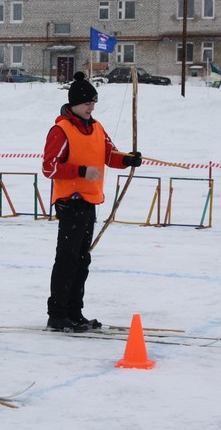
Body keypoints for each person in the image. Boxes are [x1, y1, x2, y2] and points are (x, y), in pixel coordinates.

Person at [41, 72, 142, 332]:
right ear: (74, 103)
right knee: (67, 260)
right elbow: (49, 168)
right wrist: (81, 171)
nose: (91, 108)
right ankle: (58, 315)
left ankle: (75, 313)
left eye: (93, 103)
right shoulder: (61, 130)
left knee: (82, 260)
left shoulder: (96, 128)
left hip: (89, 202)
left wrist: (127, 160)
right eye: (87, 103)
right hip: (70, 202)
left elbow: (110, 154)